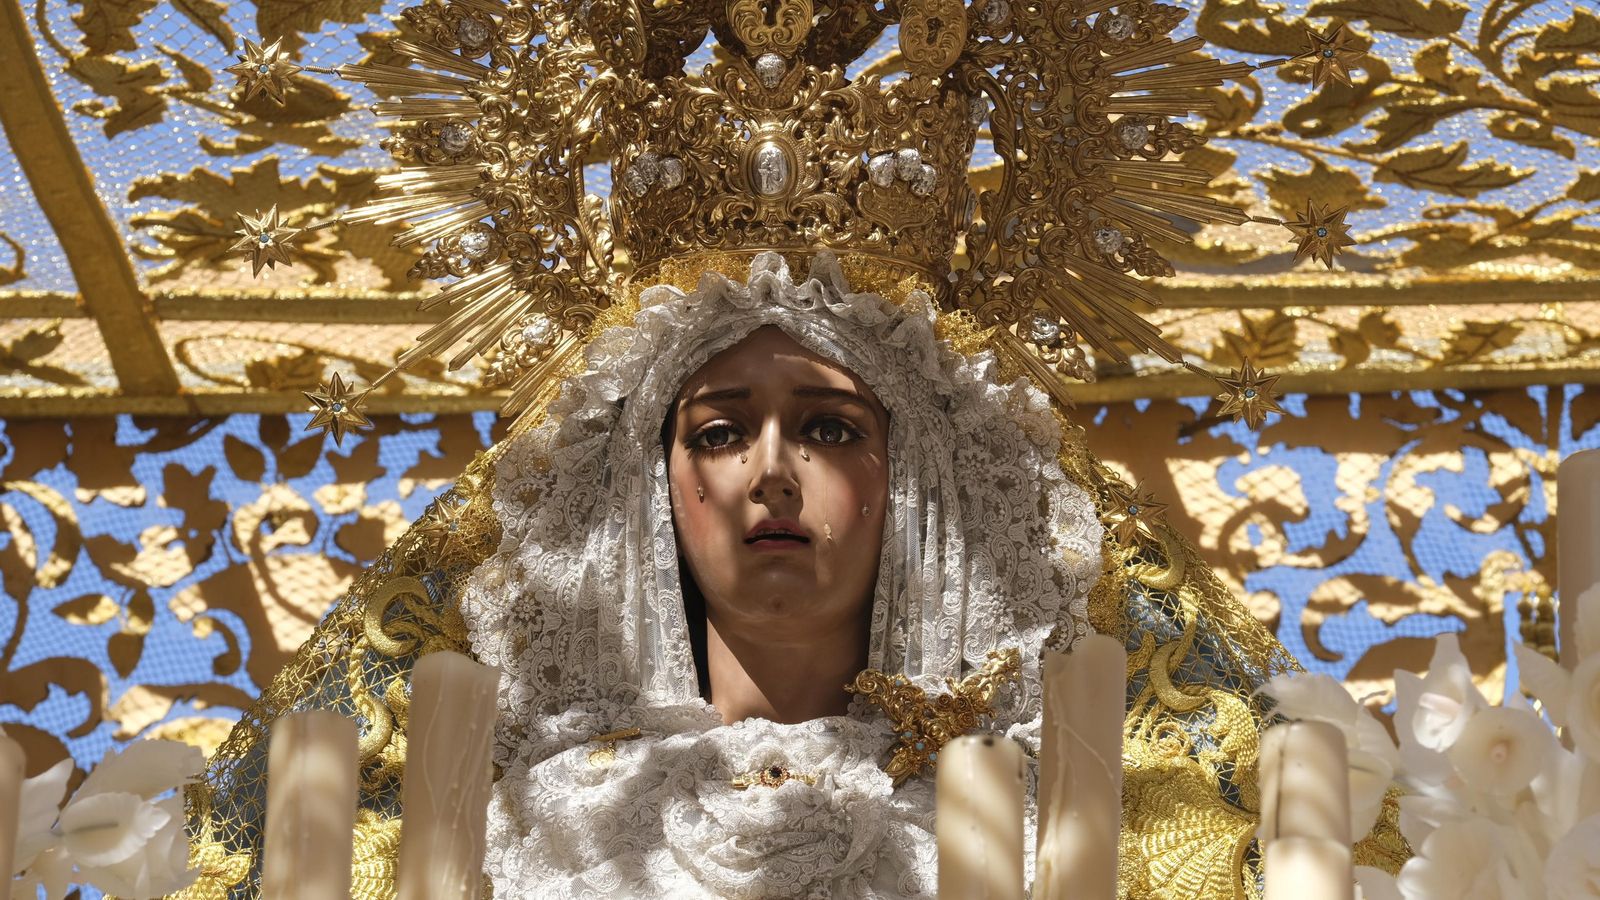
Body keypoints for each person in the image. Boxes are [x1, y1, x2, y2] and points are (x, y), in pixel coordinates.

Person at [188, 0, 1409, 895]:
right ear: (649, 485)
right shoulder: (532, 821)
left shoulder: (1059, 820)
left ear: (918, 478)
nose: (771, 471)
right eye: (720, 431)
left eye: (829, 427)